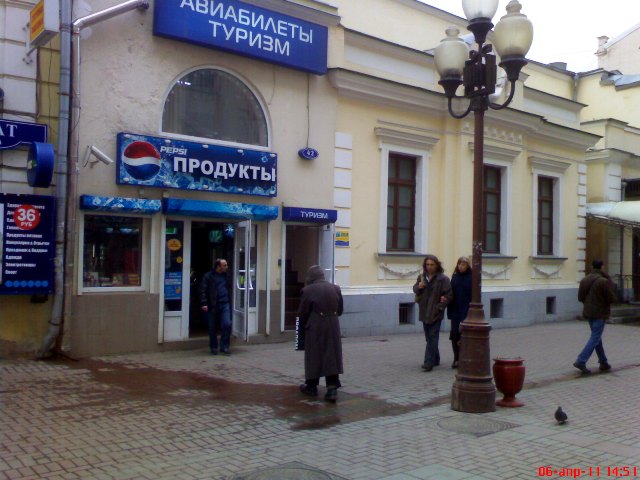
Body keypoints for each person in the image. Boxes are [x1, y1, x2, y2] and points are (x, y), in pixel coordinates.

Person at [297, 265, 344, 403]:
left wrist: (300, 336)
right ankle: (332, 389)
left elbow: (302, 313)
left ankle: (311, 386)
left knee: (314, 356)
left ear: (311, 277)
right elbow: (340, 310)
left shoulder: (307, 290)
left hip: (315, 326)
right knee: (332, 355)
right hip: (333, 326)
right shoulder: (335, 288)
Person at [573, 259, 616, 374]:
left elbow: (580, 297)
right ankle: (581, 360)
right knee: (595, 337)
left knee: (596, 337)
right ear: (601, 267)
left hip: (588, 312)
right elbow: (611, 298)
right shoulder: (603, 281)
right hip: (600, 313)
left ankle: (603, 362)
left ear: (592, 267)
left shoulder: (584, 280)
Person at [413, 255, 452, 372]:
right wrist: (418, 287)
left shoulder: (443, 279)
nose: (429, 267)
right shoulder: (422, 277)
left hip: (436, 312)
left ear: (437, 265)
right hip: (424, 311)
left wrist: (440, 306)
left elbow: (449, 295)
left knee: (433, 337)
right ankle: (436, 358)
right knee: (429, 337)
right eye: (427, 265)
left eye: (432, 265)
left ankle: (428, 362)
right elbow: (415, 289)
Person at [199, 258, 232, 355]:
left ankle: (224, 346)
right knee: (212, 327)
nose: (227, 267)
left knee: (227, 324)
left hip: (225, 303)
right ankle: (213, 347)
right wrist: (204, 303)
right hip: (213, 304)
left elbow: (230, 287)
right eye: (224, 265)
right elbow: (202, 290)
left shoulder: (226, 276)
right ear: (218, 267)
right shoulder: (208, 276)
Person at [447, 256, 472, 369]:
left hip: (466, 309)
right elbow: (450, 292)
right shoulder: (455, 276)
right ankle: (456, 358)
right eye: (459, 264)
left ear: (468, 266)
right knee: (454, 334)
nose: (461, 267)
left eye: (463, 264)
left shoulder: (471, 277)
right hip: (455, 310)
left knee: (464, 335)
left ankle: (464, 358)